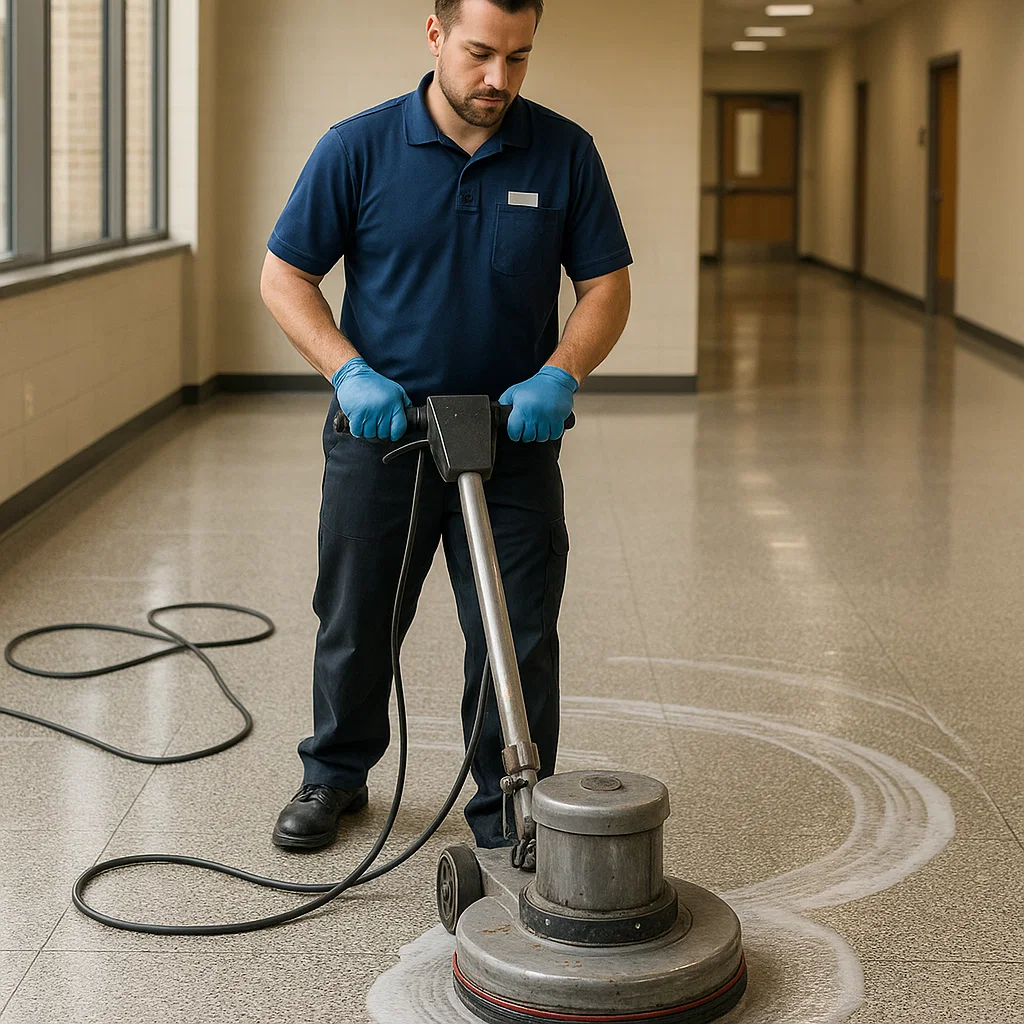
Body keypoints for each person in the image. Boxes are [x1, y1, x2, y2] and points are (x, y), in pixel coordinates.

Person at [260, 0, 631, 852]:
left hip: (513, 436)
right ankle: (334, 776)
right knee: (358, 615)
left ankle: (512, 809)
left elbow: (605, 286)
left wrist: (560, 372)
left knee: (515, 627)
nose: (499, 78)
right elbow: (285, 275)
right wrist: (346, 370)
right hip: (385, 430)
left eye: (520, 58)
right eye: (480, 54)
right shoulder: (358, 147)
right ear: (434, 37)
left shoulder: (564, 151)